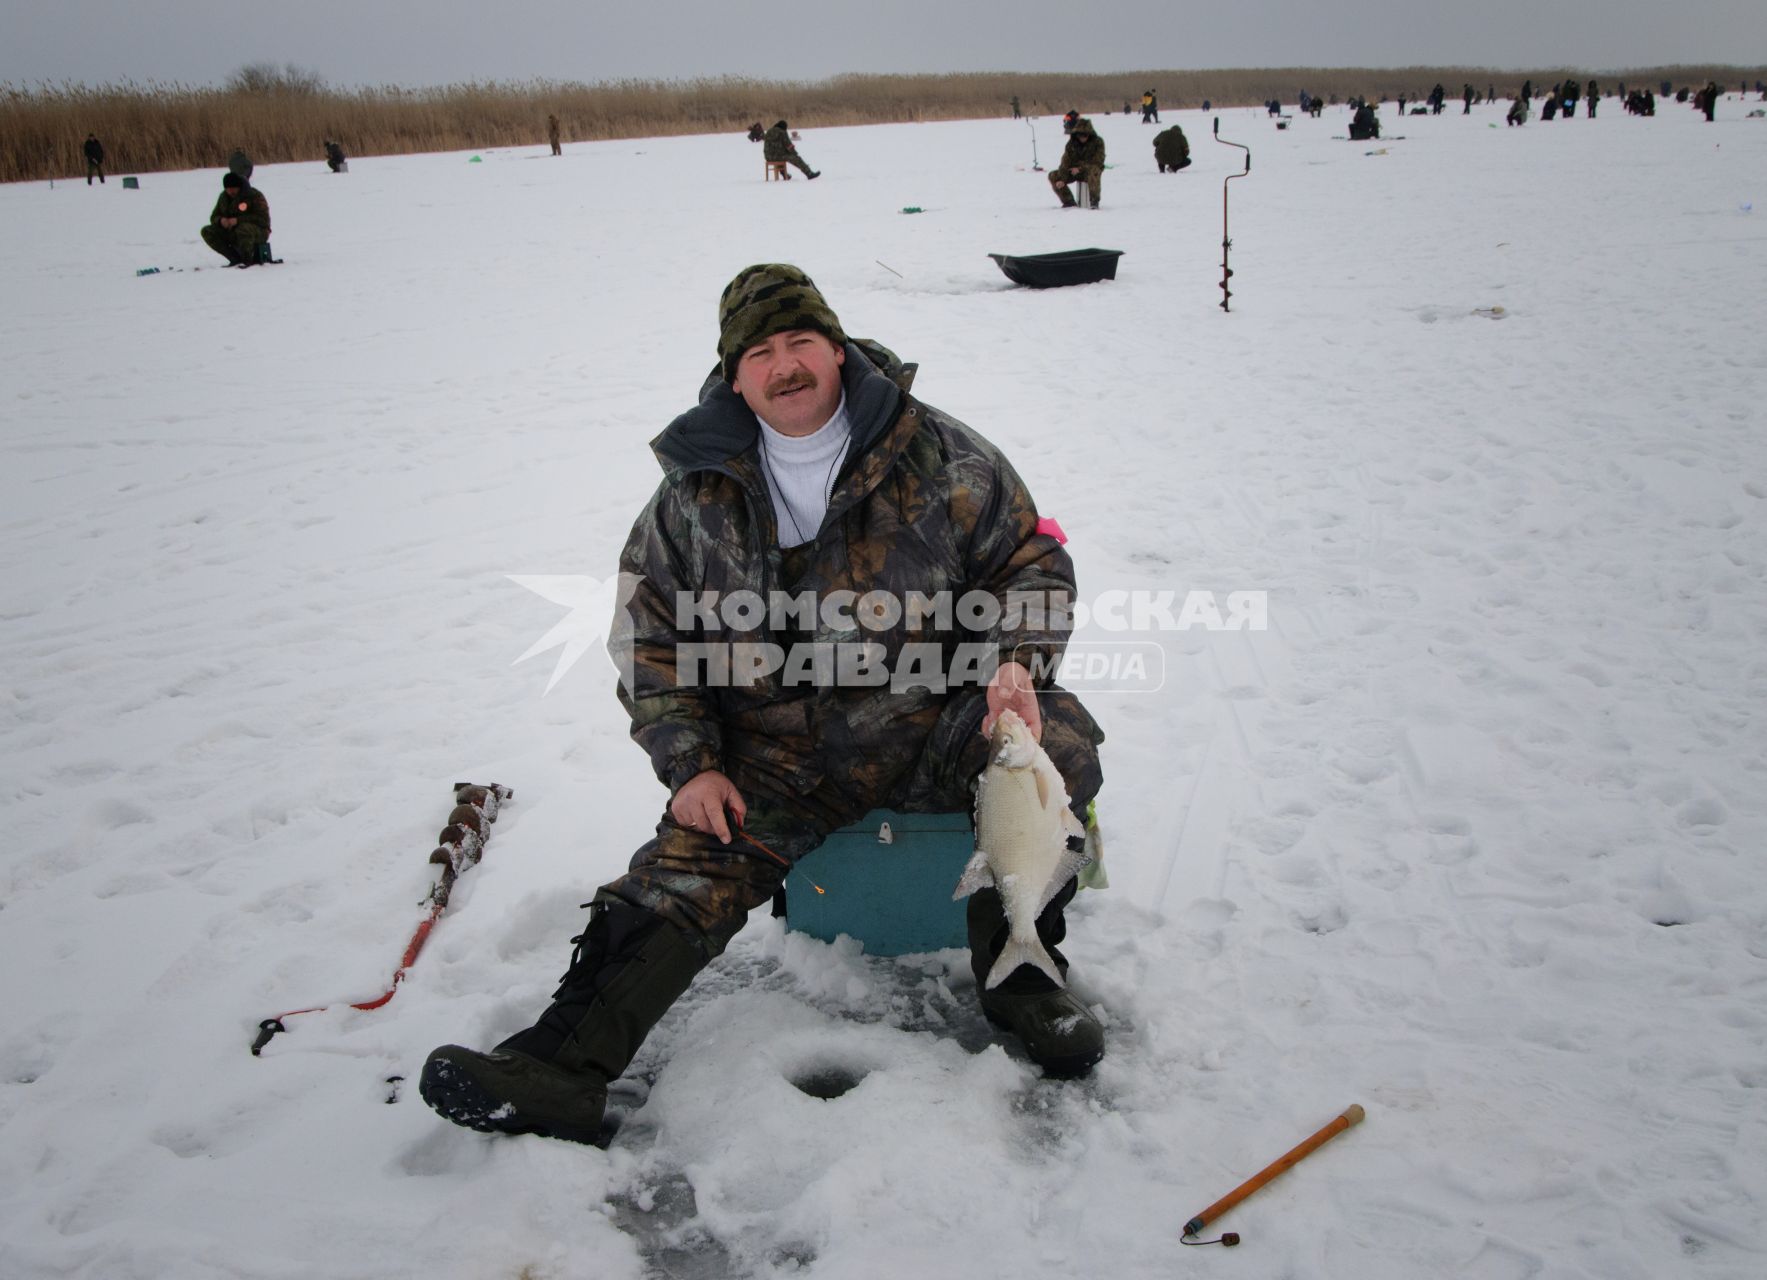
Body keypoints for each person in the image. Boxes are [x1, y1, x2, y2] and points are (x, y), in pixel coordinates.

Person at [418, 264, 1107, 1145]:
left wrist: (1015, 664)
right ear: (733, 375)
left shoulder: (941, 453)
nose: (785, 366)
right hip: (773, 753)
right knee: (681, 869)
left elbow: (1030, 562)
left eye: (801, 343)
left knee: (1063, 749)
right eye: (761, 352)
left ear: (836, 349)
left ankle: (1024, 979)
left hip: (933, 721)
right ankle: (557, 1065)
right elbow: (648, 634)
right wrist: (691, 762)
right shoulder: (691, 492)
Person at [200, 171, 271, 267]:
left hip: (259, 232)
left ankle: (247, 260)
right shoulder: (223, 197)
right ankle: (235, 259)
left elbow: (263, 220)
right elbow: (214, 216)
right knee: (207, 231)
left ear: (239, 187)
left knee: (243, 229)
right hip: (232, 231)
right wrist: (221, 221)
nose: (231, 191)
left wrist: (238, 220)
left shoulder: (254, 196)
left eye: (233, 188)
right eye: (228, 189)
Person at [1048, 116, 1104, 208]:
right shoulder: (1071, 144)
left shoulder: (1098, 142)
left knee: (1094, 170)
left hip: (1089, 171)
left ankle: (1094, 201)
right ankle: (1069, 201)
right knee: (1053, 175)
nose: (1082, 138)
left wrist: (1080, 169)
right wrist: (1062, 178)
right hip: (1073, 171)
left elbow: (1098, 161)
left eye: (1084, 135)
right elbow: (1065, 161)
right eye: (1079, 135)